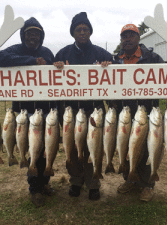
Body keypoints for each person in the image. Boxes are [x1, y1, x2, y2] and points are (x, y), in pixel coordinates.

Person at [0, 17, 55, 207]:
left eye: (36, 33)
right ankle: (34, 189)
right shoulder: (15, 50)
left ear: (41, 36)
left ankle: (44, 184)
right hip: (21, 114)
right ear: (23, 35)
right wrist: (31, 61)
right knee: (30, 151)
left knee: (42, 150)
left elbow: (56, 74)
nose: (33, 37)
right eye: (29, 33)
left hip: (43, 111)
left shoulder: (47, 52)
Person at [54, 12, 113, 201]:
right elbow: (50, 78)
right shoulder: (63, 54)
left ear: (90, 32)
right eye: (78, 29)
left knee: (94, 147)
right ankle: (75, 181)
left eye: (85, 29)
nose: (82, 32)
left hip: (95, 109)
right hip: (71, 111)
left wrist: (109, 65)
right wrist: (55, 66)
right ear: (73, 33)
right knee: (72, 147)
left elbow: (118, 73)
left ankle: (93, 182)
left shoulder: (101, 53)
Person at [113, 24, 164, 202]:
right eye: (124, 36)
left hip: (147, 113)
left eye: (131, 36)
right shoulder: (115, 61)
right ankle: (130, 179)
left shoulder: (153, 58)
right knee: (127, 148)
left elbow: (166, 81)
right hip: (124, 114)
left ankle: (148, 185)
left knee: (148, 149)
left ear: (138, 38)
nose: (127, 39)